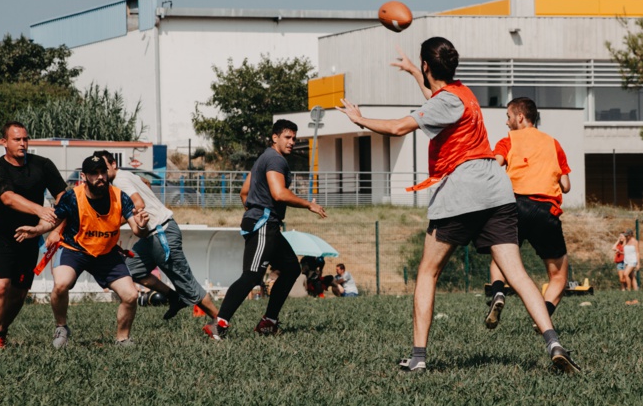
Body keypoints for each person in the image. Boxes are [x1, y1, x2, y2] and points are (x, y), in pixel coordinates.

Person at [336, 37, 580, 373]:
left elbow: (397, 127)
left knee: (428, 271)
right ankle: (553, 342)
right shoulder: (463, 93)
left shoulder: (445, 101)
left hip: (462, 189)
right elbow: (435, 101)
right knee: (518, 274)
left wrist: (359, 118)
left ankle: (418, 357)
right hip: (496, 190)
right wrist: (414, 72)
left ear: (428, 65)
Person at [203, 119, 327, 339]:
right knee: (252, 276)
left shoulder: (264, 158)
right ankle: (218, 325)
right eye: (287, 137)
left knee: (291, 269)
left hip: (266, 224)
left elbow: (244, 192)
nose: (292, 142)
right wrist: (309, 204)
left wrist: (254, 212)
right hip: (264, 224)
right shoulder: (275, 160)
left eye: (294, 138)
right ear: (275, 137)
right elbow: (279, 193)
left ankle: (268, 322)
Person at [14, 155, 150, 348]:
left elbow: (138, 230)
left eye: (103, 172)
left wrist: (142, 226)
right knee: (61, 284)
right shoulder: (72, 197)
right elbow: (53, 221)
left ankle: (122, 339)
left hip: (107, 253)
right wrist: (37, 230)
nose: (100, 177)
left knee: (131, 295)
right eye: (94, 173)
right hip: (74, 250)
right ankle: (61, 327)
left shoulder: (120, 197)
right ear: (84, 176)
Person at [92, 150, 219, 321]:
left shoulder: (120, 181)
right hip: (150, 237)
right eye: (98, 170)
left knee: (186, 283)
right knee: (131, 270)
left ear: (114, 164)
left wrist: (111, 224)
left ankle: (220, 321)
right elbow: (146, 182)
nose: (101, 174)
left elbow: (138, 203)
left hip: (162, 233)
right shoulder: (126, 175)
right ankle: (174, 298)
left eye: (104, 169)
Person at [486, 97, 572, 330]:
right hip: (546, 211)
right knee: (558, 276)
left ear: (520, 117)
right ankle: (542, 316)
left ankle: (498, 292)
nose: (507, 122)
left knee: (500, 257)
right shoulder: (553, 144)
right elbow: (565, 185)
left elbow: (493, 166)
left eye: (508, 117)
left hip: (515, 206)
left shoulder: (508, 141)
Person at [0, 121, 67, 349]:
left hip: (28, 236)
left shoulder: (43, 165)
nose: (22, 143)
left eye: (25, 139)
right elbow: (7, 198)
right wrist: (40, 210)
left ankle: (1, 332)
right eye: (17, 139)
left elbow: (63, 195)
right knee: (0, 286)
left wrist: (57, 223)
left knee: (19, 293)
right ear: (4, 142)